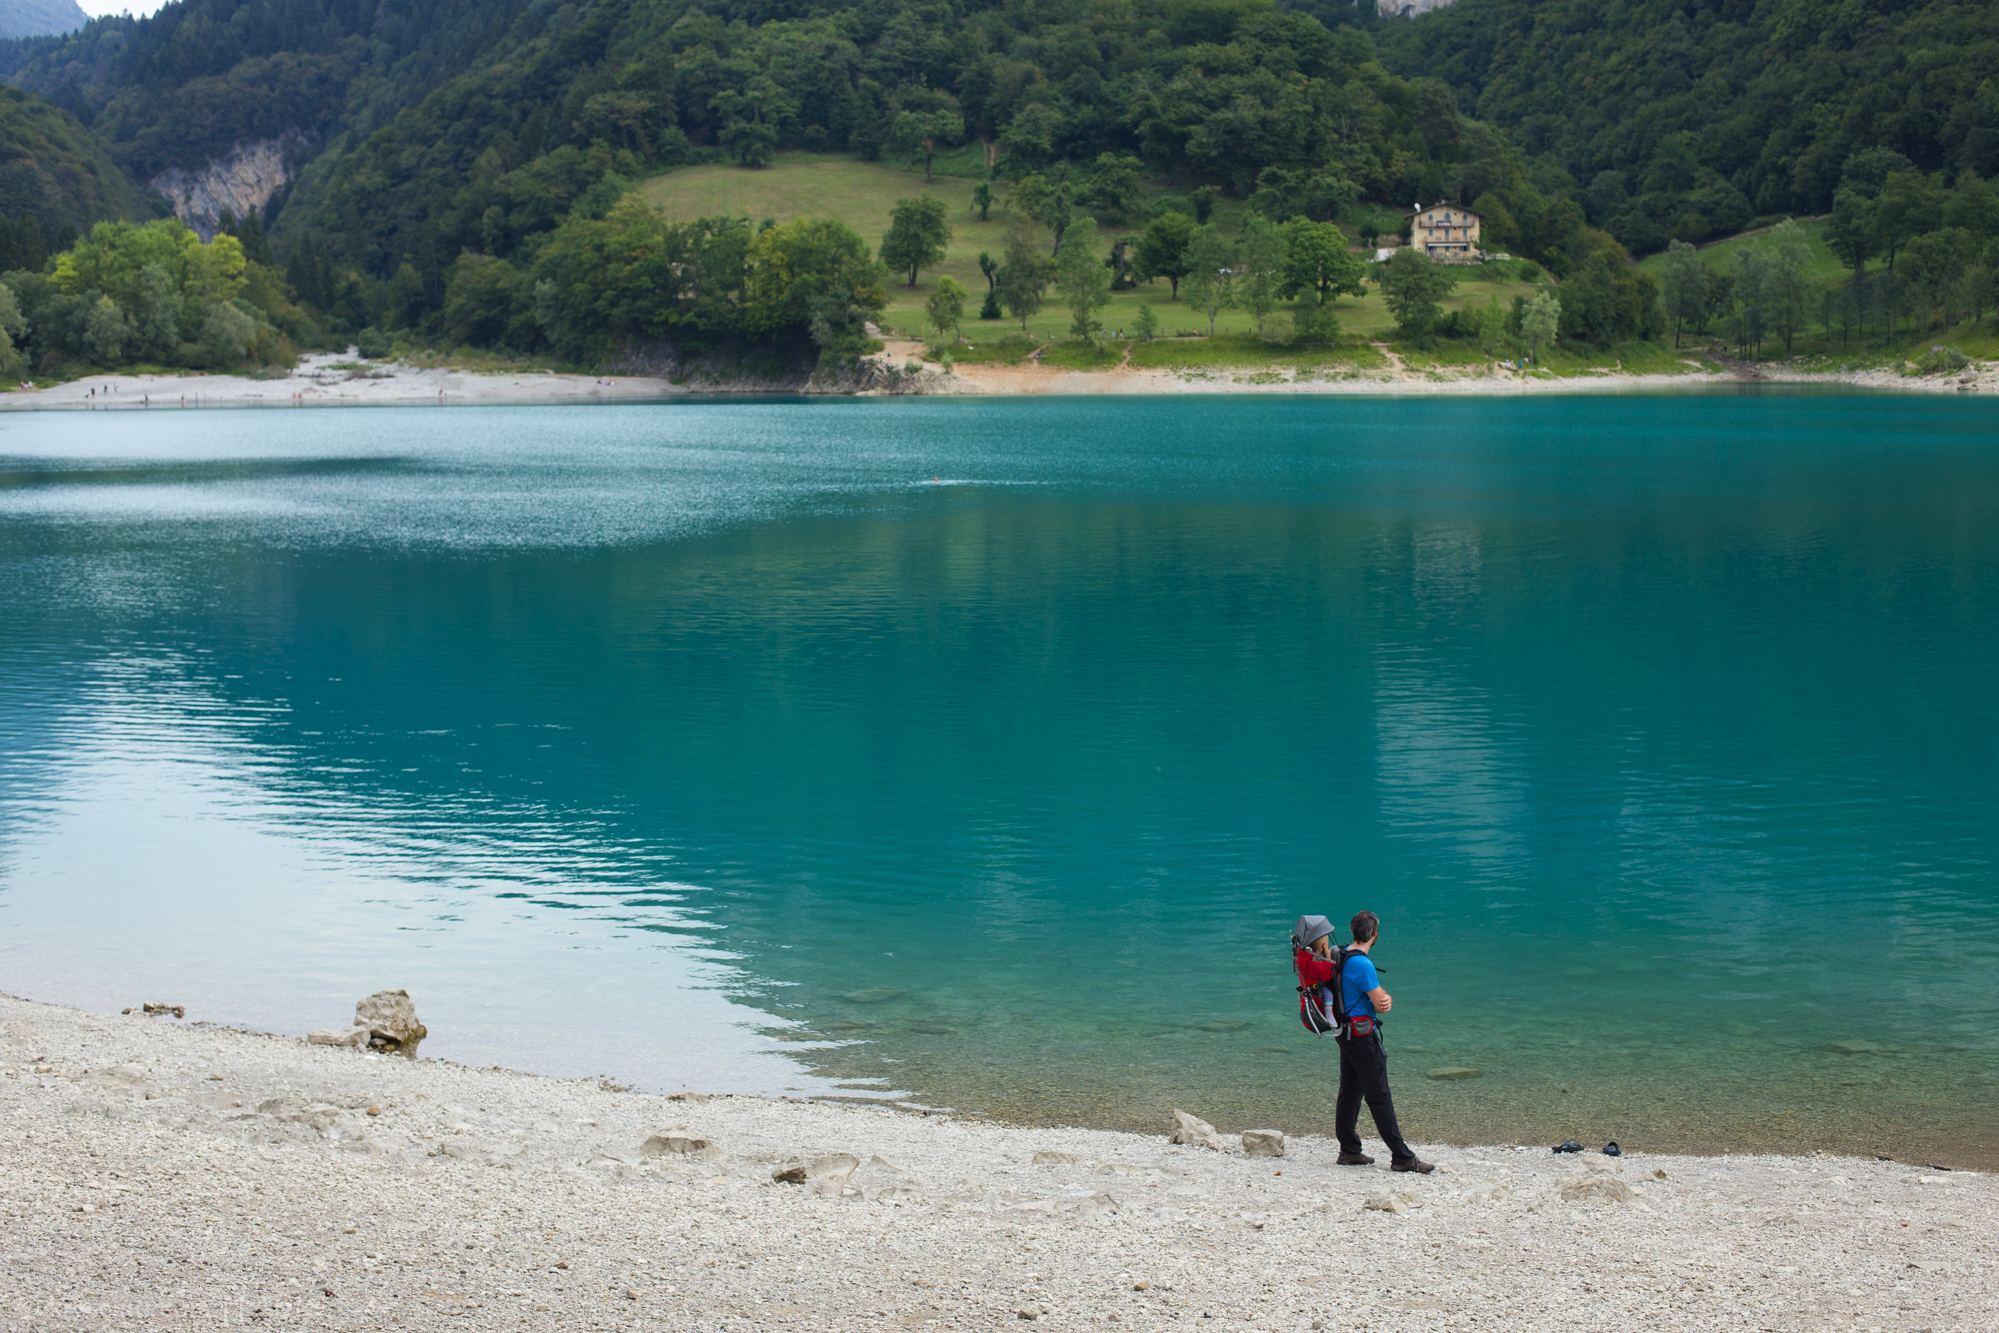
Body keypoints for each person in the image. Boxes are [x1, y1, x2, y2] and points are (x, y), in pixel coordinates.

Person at [1324, 911, 1434, 1173]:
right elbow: (1380, 1003)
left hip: (1344, 1034)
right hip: (1362, 1037)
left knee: (1350, 1092)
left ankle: (1349, 1151)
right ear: (1374, 935)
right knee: (1380, 1096)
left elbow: (1374, 996)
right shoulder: (1362, 965)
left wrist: (1382, 997)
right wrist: (1387, 998)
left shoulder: (1338, 953)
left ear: (1353, 931)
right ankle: (1402, 1157)